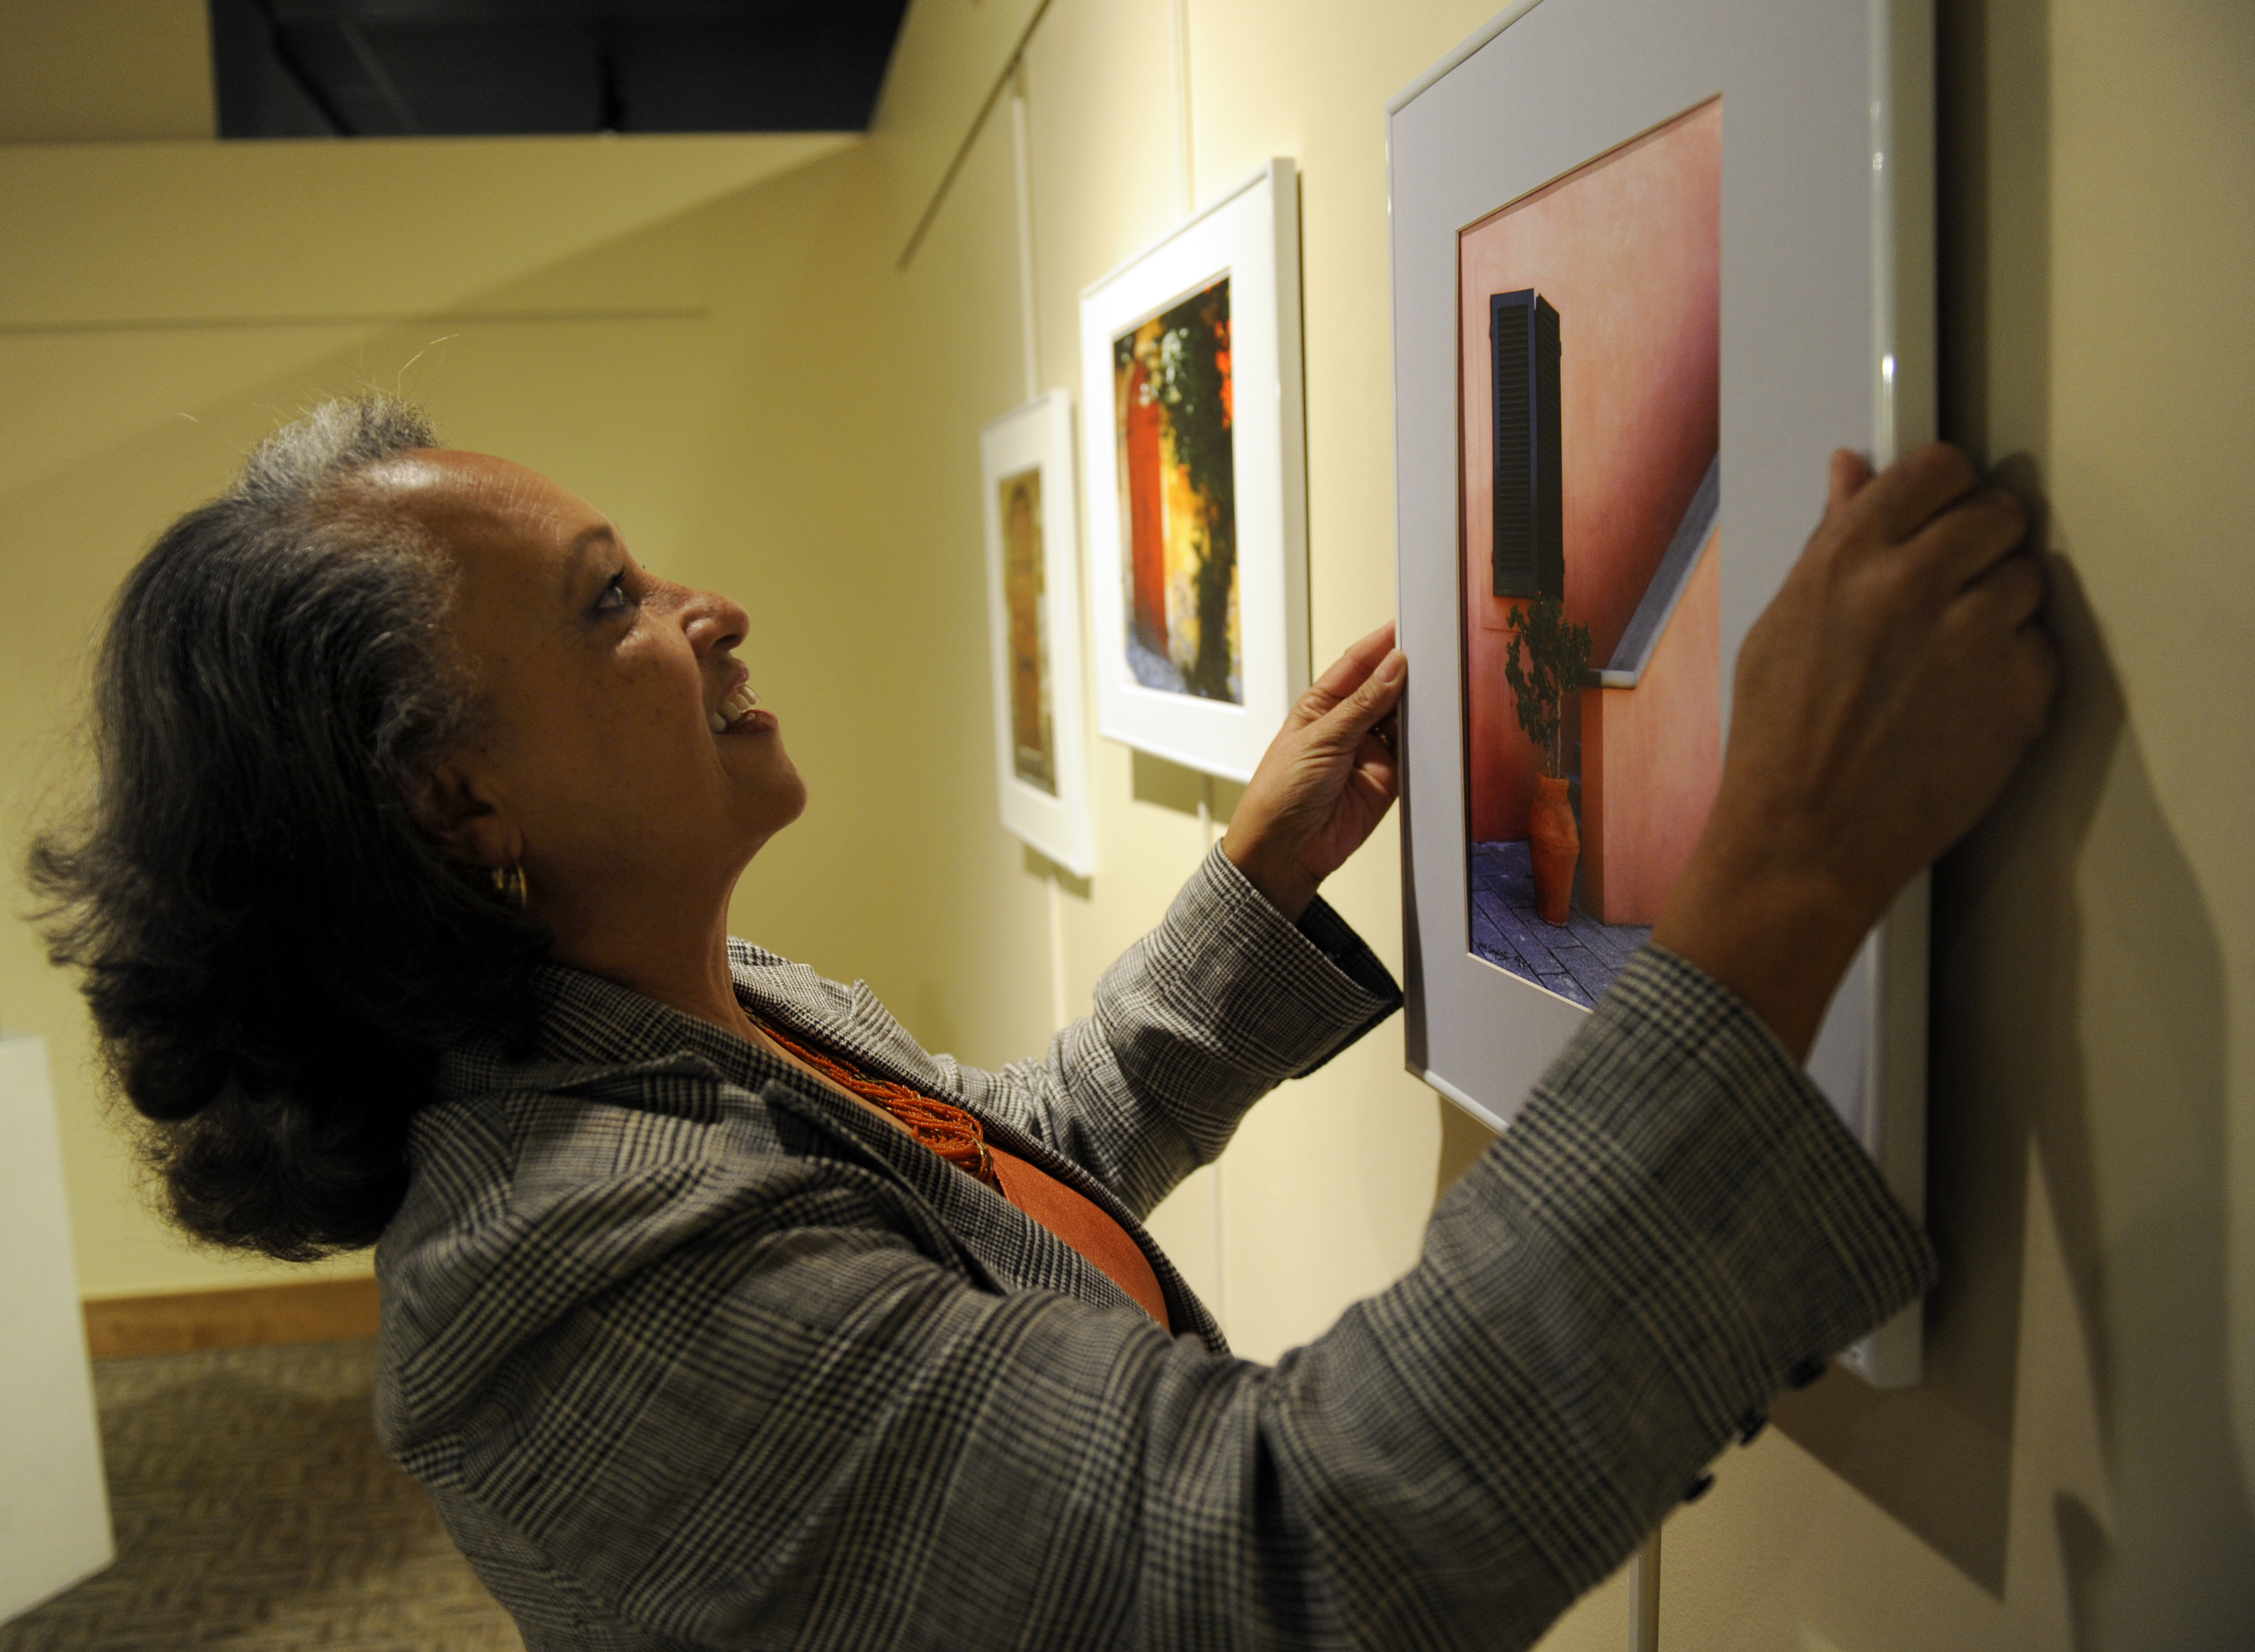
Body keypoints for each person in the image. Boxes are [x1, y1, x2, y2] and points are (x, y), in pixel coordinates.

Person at [34, 397, 2054, 1650]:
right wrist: (1781, 867)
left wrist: (1250, 895)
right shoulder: (573, 1281)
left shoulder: (687, 1031)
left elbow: (998, 1190)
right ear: (459, 809)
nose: (704, 610)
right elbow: (1281, 1563)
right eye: (607, 604)